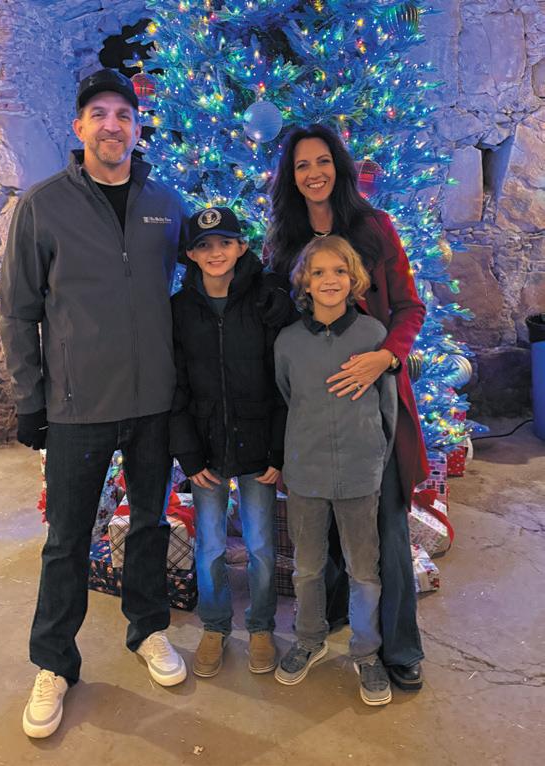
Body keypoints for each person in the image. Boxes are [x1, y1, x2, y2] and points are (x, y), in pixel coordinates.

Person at [0, 69, 188, 739]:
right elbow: (18, 311)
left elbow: (201, 281)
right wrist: (30, 399)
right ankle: (54, 661)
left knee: (149, 525)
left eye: (124, 115)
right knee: (67, 539)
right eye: (99, 113)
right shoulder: (43, 206)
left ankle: (148, 628)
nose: (113, 125)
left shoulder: (165, 203)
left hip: (153, 401)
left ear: (137, 128)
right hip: (76, 406)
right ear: (79, 127)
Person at [266, 123, 429, 692]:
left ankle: (398, 647)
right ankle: (328, 624)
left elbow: (410, 306)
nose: (314, 173)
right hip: (316, 416)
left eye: (322, 161)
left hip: (372, 404)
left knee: (385, 534)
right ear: (291, 177)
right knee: (320, 543)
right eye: (301, 165)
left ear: (339, 166)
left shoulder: (375, 227)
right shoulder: (284, 242)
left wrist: (385, 356)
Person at [274, 235, 397, 705]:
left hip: (360, 471)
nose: (330, 280)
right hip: (305, 473)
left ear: (353, 279)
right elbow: (288, 396)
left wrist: (375, 455)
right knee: (307, 567)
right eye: (319, 272)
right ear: (305, 282)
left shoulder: (373, 336)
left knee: (364, 569)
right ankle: (309, 637)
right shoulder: (288, 342)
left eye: (339, 271)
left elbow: (387, 407)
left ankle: (366, 651)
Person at [170, 207, 287, 679]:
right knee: (211, 545)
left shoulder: (265, 301)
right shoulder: (179, 310)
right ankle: (215, 625)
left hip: (258, 445)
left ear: (241, 247)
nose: (214, 253)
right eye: (203, 246)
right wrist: (188, 452)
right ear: (191, 255)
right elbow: (175, 384)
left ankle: (260, 625)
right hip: (206, 447)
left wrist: (278, 450)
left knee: (260, 544)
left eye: (224, 243)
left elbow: (282, 381)